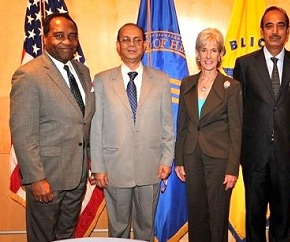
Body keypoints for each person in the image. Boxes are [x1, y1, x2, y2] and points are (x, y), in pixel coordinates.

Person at [9, 13, 95, 242]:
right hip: (47, 178)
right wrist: (36, 179)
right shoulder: (29, 75)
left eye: (72, 36)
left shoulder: (83, 72)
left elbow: (84, 121)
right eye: (58, 35)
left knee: (66, 236)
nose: (67, 41)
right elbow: (23, 133)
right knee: (42, 237)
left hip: (77, 177)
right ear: (45, 39)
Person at [233, 6, 290, 242]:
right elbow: (240, 107)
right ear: (262, 31)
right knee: (254, 215)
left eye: (280, 25)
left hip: (286, 152)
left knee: (282, 215)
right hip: (254, 152)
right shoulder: (244, 64)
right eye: (269, 25)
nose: (275, 31)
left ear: (287, 31)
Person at [90, 23, 174, 241]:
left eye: (137, 40)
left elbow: (167, 124)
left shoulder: (161, 79)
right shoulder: (101, 80)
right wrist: (98, 167)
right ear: (118, 46)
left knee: (146, 228)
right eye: (126, 40)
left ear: (145, 45)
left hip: (151, 167)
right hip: (115, 168)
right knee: (117, 229)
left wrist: (167, 159)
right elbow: (96, 126)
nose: (132, 44)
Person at [175, 28, 243, 242]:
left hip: (219, 160)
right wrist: (179, 159)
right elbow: (182, 124)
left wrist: (233, 167)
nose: (208, 55)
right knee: (196, 215)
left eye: (214, 50)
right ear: (197, 53)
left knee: (217, 216)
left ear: (221, 54)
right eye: (204, 50)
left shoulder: (231, 87)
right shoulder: (187, 83)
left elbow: (236, 129)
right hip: (191, 156)